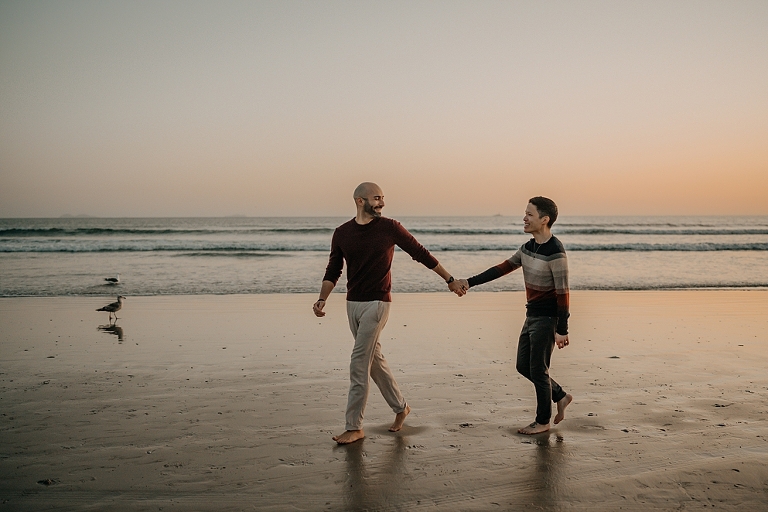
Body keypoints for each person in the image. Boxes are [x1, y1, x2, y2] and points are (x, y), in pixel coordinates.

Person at [314, 182, 466, 444]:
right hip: (353, 304)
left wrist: (449, 279)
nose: (382, 203)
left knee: (359, 362)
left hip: (377, 304)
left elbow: (420, 253)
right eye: (376, 198)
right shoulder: (342, 233)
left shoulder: (389, 228)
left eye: (383, 198)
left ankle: (354, 426)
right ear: (360, 201)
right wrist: (321, 299)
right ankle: (401, 407)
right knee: (374, 361)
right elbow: (333, 270)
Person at [457, 197, 573, 435]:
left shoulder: (556, 253)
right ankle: (560, 395)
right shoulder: (528, 248)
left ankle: (543, 421)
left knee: (538, 369)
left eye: (529, 214)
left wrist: (562, 328)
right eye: (525, 213)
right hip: (531, 315)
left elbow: (563, 293)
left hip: (548, 318)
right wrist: (469, 282)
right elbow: (501, 268)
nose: (524, 218)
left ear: (544, 220)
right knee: (523, 365)